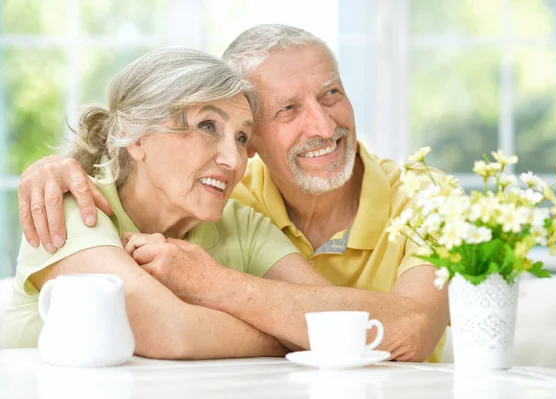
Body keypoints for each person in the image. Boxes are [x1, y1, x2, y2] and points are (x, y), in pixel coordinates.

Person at [15, 25, 449, 362]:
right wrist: (295, 336)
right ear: (135, 137)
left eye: (241, 137)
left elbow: (353, 325)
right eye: (207, 126)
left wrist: (213, 284)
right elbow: (166, 329)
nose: (232, 159)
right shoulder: (75, 203)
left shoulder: (235, 215)